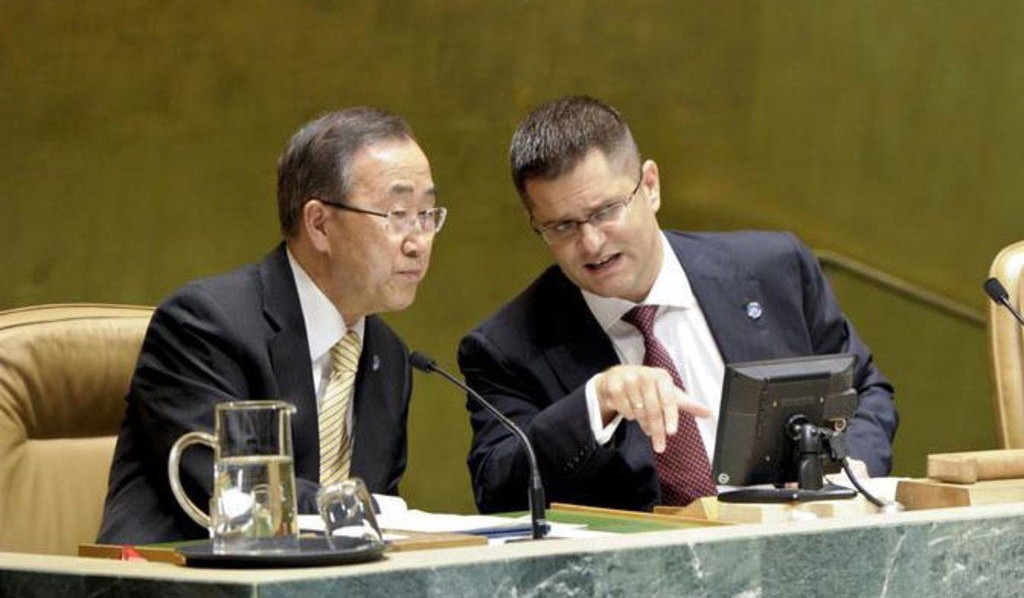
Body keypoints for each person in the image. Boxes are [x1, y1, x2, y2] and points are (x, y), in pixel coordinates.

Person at [458, 95, 897, 513]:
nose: (590, 244)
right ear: (534, 223)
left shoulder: (773, 270)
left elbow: (863, 391)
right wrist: (597, 401)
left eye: (606, 211)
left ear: (650, 186)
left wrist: (848, 467)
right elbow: (500, 492)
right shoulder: (507, 347)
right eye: (562, 226)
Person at [98, 107, 446, 543]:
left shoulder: (388, 356)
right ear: (319, 224)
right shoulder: (205, 326)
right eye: (397, 214)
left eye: (428, 215)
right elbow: (242, 496)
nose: (418, 242)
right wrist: (379, 510)